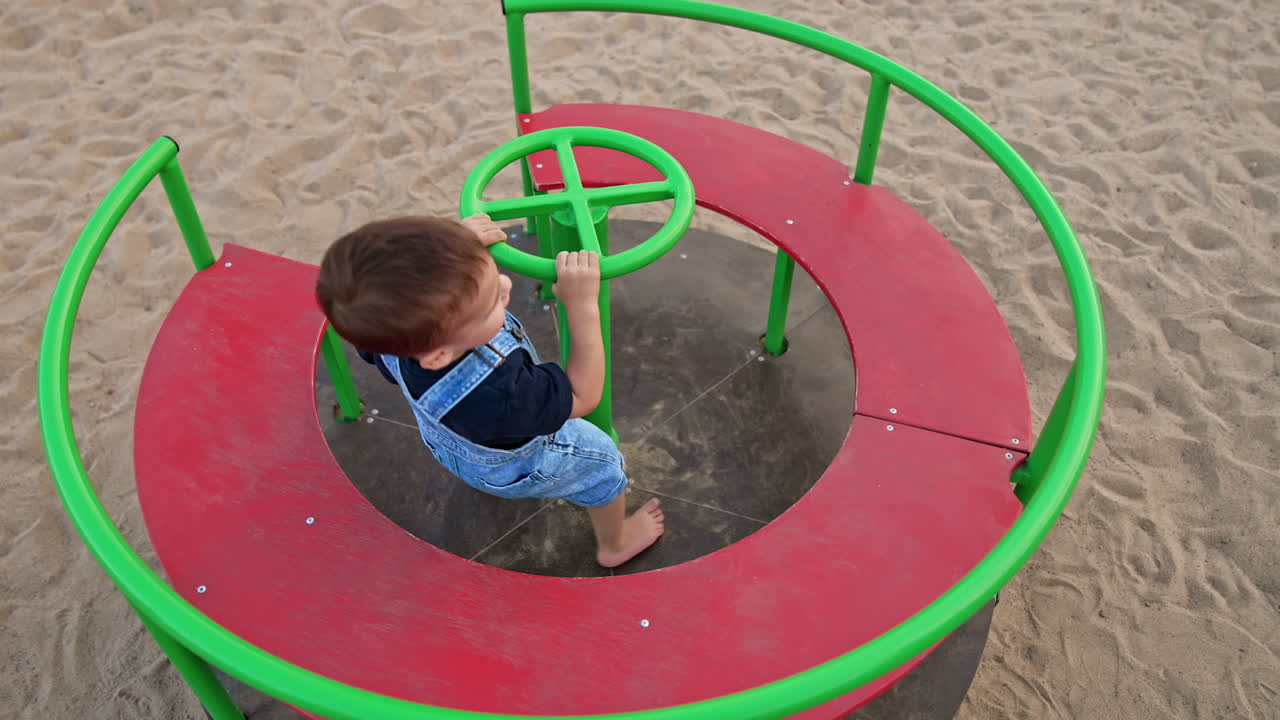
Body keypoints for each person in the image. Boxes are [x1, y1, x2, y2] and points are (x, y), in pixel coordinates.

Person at [315, 214, 664, 567]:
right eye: (490, 304)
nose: (506, 285)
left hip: (448, 441)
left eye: (490, 274)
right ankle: (615, 545)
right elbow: (583, 396)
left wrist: (457, 252)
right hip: (518, 461)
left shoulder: (392, 333)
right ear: (439, 355)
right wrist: (582, 305)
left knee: (484, 441)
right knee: (603, 465)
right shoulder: (500, 393)